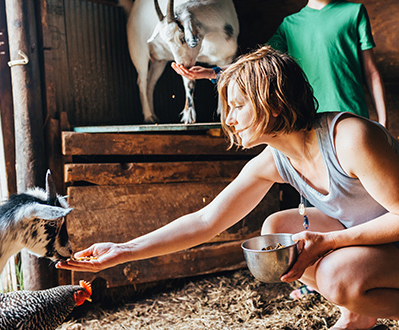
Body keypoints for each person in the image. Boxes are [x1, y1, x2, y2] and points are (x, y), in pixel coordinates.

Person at [57, 46, 399, 330]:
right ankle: (358, 314)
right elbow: (207, 221)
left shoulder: (351, 139)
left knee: (336, 276)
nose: (229, 119)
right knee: (277, 231)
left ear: (274, 103)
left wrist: (332, 241)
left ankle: (355, 296)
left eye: (237, 106)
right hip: (377, 240)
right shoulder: (275, 159)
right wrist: (125, 250)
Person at [171, 0, 388, 128]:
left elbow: (371, 72)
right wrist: (211, 72)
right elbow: (256, 65)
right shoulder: (290, 25)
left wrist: (383, 122)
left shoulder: (354, 12)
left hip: (354, 119)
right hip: (309, 122)